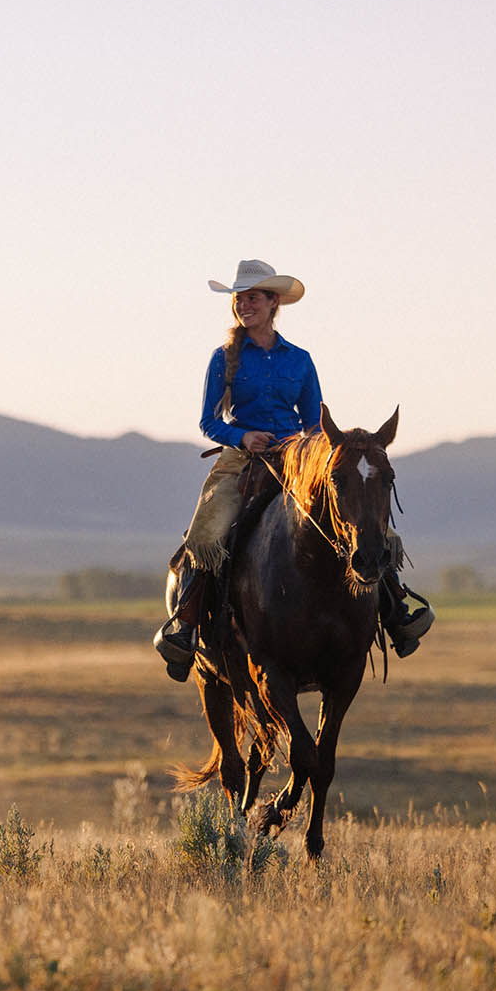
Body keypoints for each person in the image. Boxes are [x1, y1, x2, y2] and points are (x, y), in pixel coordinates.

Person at [153, 259, 432, 680]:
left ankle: (397, 611)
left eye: (253, 298)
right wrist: (243, 436)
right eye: (239, 299)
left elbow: (315, 423)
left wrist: (311, 451)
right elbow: (208, 422)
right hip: (241, 459)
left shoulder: (300, 360)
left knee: (368, 523)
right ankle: (186, 629)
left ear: (273, 303)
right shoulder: (224, 358)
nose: (244, 305)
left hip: (298, 459)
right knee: (206, 533)